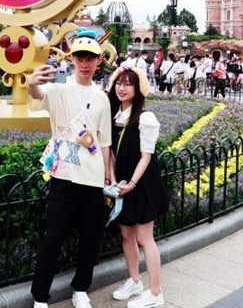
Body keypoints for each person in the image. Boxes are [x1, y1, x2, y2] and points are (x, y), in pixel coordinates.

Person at [28, 28, 112, 308]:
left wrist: (107, 176)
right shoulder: (60, 90)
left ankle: (81, 289)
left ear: (98, 61)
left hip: (92, 176)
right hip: (63, 173)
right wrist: (31, 83)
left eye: (90, 58)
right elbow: (39, 94)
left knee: (91, 236)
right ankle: (40, 296)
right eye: (80, 57)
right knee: (53, 236)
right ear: (72, 59)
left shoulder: (102, 97)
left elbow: (104, 142)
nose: (85, 63)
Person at [107, 67, 166, 308]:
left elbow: (146, 156)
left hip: (142, 184)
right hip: (120, 183)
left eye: (127, 84)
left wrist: (131, 183)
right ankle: (135, 281)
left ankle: (155, 293)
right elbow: (109, 152)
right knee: (126, 234)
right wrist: (112, 180)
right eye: (118, 83)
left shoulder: (145, 118)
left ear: (137, 88)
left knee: (144, 237)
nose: (121, 87)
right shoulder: (112, 115)